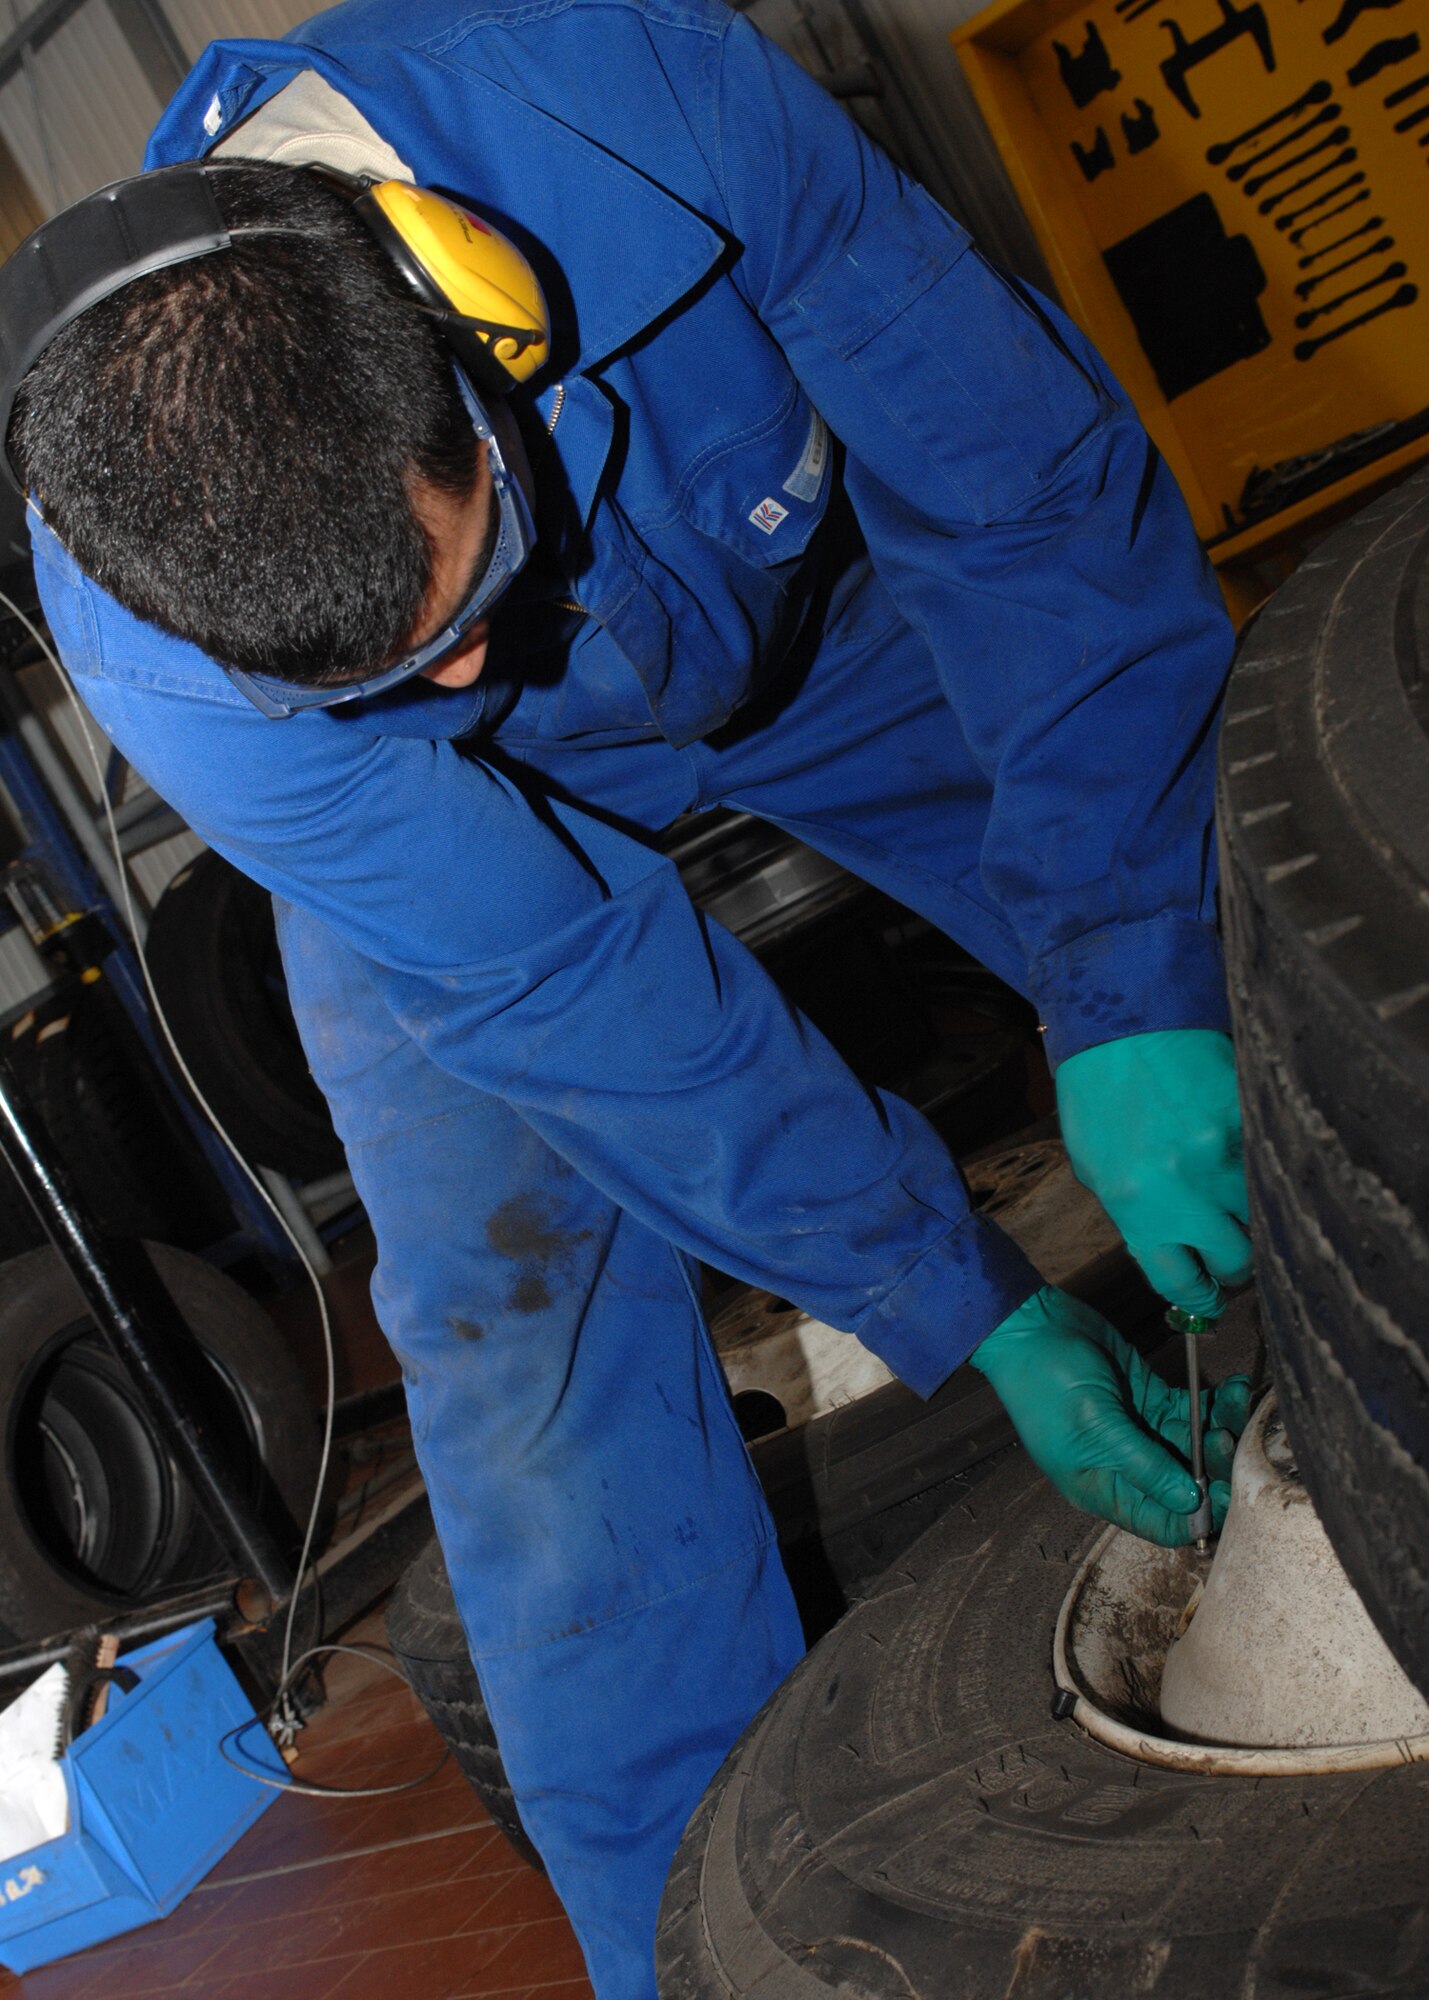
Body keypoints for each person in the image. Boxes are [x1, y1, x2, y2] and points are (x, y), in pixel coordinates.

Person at [0, 2, 1253, 1990]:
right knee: (526, 1365)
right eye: (377, 671)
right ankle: (703, 1947)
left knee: (1241, 933)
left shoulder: (617, 94)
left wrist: (1132, 977)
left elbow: (1017, 498)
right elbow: (581, 986)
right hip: (454, 847)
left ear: (478, 328)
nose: (461, 667)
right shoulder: (200, 687)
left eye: (459, 589)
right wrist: (969, 1305)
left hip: (835, 614)